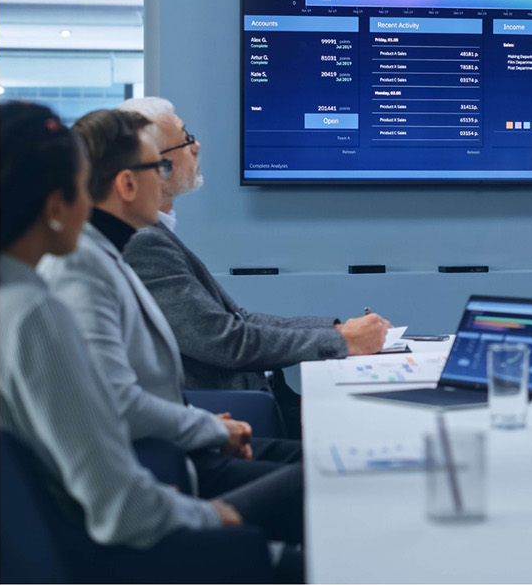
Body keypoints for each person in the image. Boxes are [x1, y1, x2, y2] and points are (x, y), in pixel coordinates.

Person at [0, 101, 298, 580]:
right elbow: (120, 506)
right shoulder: (36, 314)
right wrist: (212, 514)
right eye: (82, 184)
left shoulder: (8, 298)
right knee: (332, 488)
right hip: (125, 551)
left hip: (109, 522)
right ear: (55, 203)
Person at [116, 97, 391, 434]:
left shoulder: (157, 233)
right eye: (186, 138)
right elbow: (225, 340)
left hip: (259, 399)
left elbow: (239, 320)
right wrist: (341, 341)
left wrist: (336, 331)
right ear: (157, 165)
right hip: (240, 412)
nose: (197, 145)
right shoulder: (143, 241)